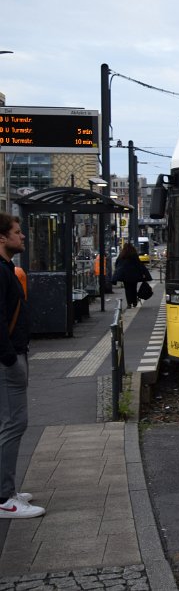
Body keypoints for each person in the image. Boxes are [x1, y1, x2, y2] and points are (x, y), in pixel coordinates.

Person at [0, 213, 44, 519]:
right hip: (8, 360)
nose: (23, 236)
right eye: (17, 232)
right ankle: (5, 498)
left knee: (9, 424)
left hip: (12, 355)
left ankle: (7, 490)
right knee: (15, 423)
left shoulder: (6, 269)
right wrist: (11, 359)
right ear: (2, 238)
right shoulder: (1, 272)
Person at [113, 243, 152, 308]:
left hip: (125, 276)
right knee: (133, 288)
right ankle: (134, 302)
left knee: (127, 289)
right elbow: (139, 265)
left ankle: (129, 303)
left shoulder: (122, 256)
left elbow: (117, 265)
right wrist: (145, 274)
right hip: (134, 276)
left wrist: (116, 275)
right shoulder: (134, 255)